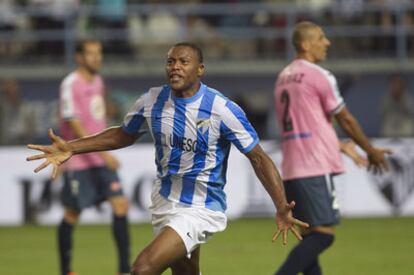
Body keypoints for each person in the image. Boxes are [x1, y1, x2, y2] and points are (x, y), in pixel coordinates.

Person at [27, 42, 309, 275]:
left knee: (142, 268)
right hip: (164, 202)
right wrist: (72, 148)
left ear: (200, 69)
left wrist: (281, 206)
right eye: (170, 61)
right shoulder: (151, 101)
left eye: (183, 62)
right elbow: (123, 135)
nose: (175, 66)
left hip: (200, 207)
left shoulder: (221, 109)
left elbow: (258, 157)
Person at [273, 21, 390, 275]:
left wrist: (338, 144)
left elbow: (304, 127)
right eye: (321, 37)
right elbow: (345, 118)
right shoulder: (319, 75)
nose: (327, 42)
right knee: (324, 236)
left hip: (292, 167)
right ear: (305, 44)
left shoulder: (283, 77)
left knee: (309, 237)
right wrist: (370, 149)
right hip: (314, 168)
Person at [54, 39, 130, 275]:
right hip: (79, 160)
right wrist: (104, 152)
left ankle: (123, 269)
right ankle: (66, 270)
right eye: (91, 54)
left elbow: (96, 117)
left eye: (99, 53)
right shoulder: (70, 84)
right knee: (72, 213)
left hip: (99, 158)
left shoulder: (98, 81)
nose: (97, 58)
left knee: (120, 204)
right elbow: (73, 122)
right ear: (79, 57)